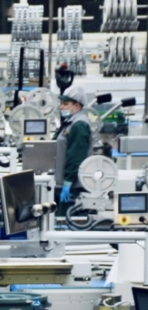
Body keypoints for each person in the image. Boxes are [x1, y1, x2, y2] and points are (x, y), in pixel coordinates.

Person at [55, 84, 93, 214]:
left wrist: (68, 183)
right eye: (61, 103)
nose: (61, 107)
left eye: (65, 104)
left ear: (77, 106)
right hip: (63, 184)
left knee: (62, 225)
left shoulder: (79, 125)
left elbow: (76, 156)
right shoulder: (70, 123)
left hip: (72, 188)